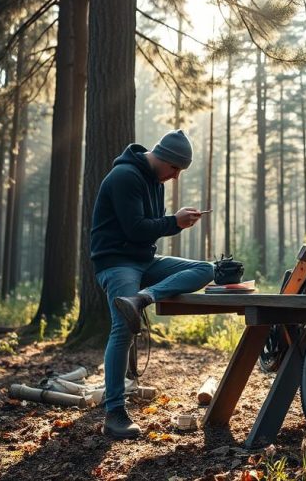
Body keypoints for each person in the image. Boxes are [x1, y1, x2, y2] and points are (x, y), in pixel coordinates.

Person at [90, 129, 214, 440]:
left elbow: (148, 231)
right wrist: (175, 222)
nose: (174, 177)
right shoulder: (125, 176)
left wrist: (174, 220)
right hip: (116, 262)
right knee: (123, 328)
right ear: (165, 159)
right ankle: (114, 412)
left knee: (206, 269)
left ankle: (143, 298)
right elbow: (135, 230)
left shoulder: (153, 180)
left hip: (144, 262)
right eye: (175, 169)